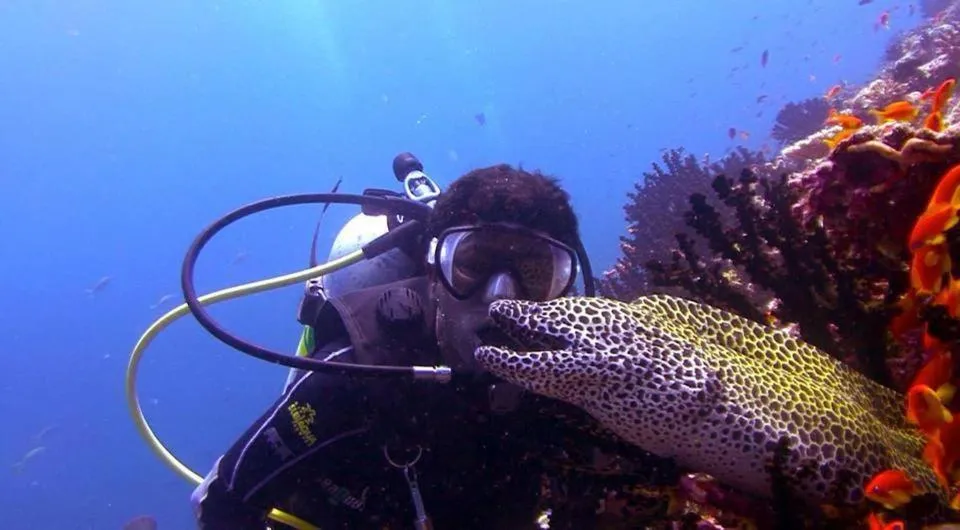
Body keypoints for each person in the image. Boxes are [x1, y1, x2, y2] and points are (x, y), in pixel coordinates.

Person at [191, 164, 677, 530]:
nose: (499, 297)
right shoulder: (356, 377)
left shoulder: (579, 380)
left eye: (534, 273)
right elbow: (221, 498)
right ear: (432, 268)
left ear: (565, 287)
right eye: (473, 262)